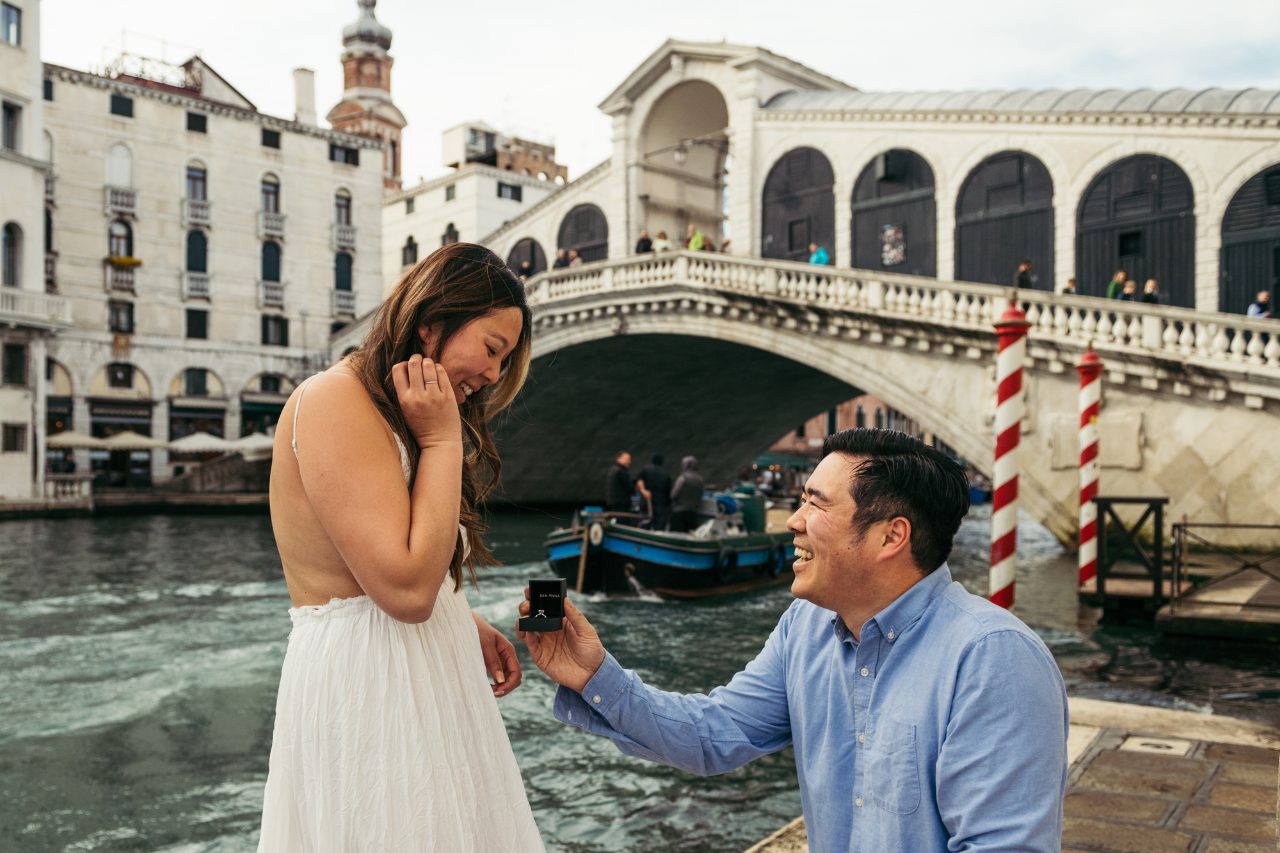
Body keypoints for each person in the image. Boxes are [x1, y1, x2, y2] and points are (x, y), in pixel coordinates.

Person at [519, 429, 1067, 851]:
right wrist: (595, 676)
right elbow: (715, 734)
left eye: (815, 504)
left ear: (890, 536)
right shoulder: (804, 627)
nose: (792, 522)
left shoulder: (993, 659)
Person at [258, 242, 544, 851]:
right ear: (431, 322)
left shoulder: (387, 409)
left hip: (414, 670)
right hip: (369, 684)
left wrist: (458, 618)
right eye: (492, 349)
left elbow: (389, 568)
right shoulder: (336, 399)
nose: (494, 375)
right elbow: (406, 591)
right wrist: (440, 442)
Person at [668, 455, 704, 532]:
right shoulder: (700, 480)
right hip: (693, 513)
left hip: (679, 512)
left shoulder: (682, 478)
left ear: (685, 465)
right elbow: (700, 496)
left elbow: (673, 495)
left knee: (675, 534)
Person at [637, 454, 673, 531]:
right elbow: (669, 493)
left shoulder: (646, 469)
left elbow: (639, 481)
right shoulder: (666, 475)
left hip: (646, 503)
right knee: (659, 530)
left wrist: (643, 491)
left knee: (644, 527)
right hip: (660, 507)